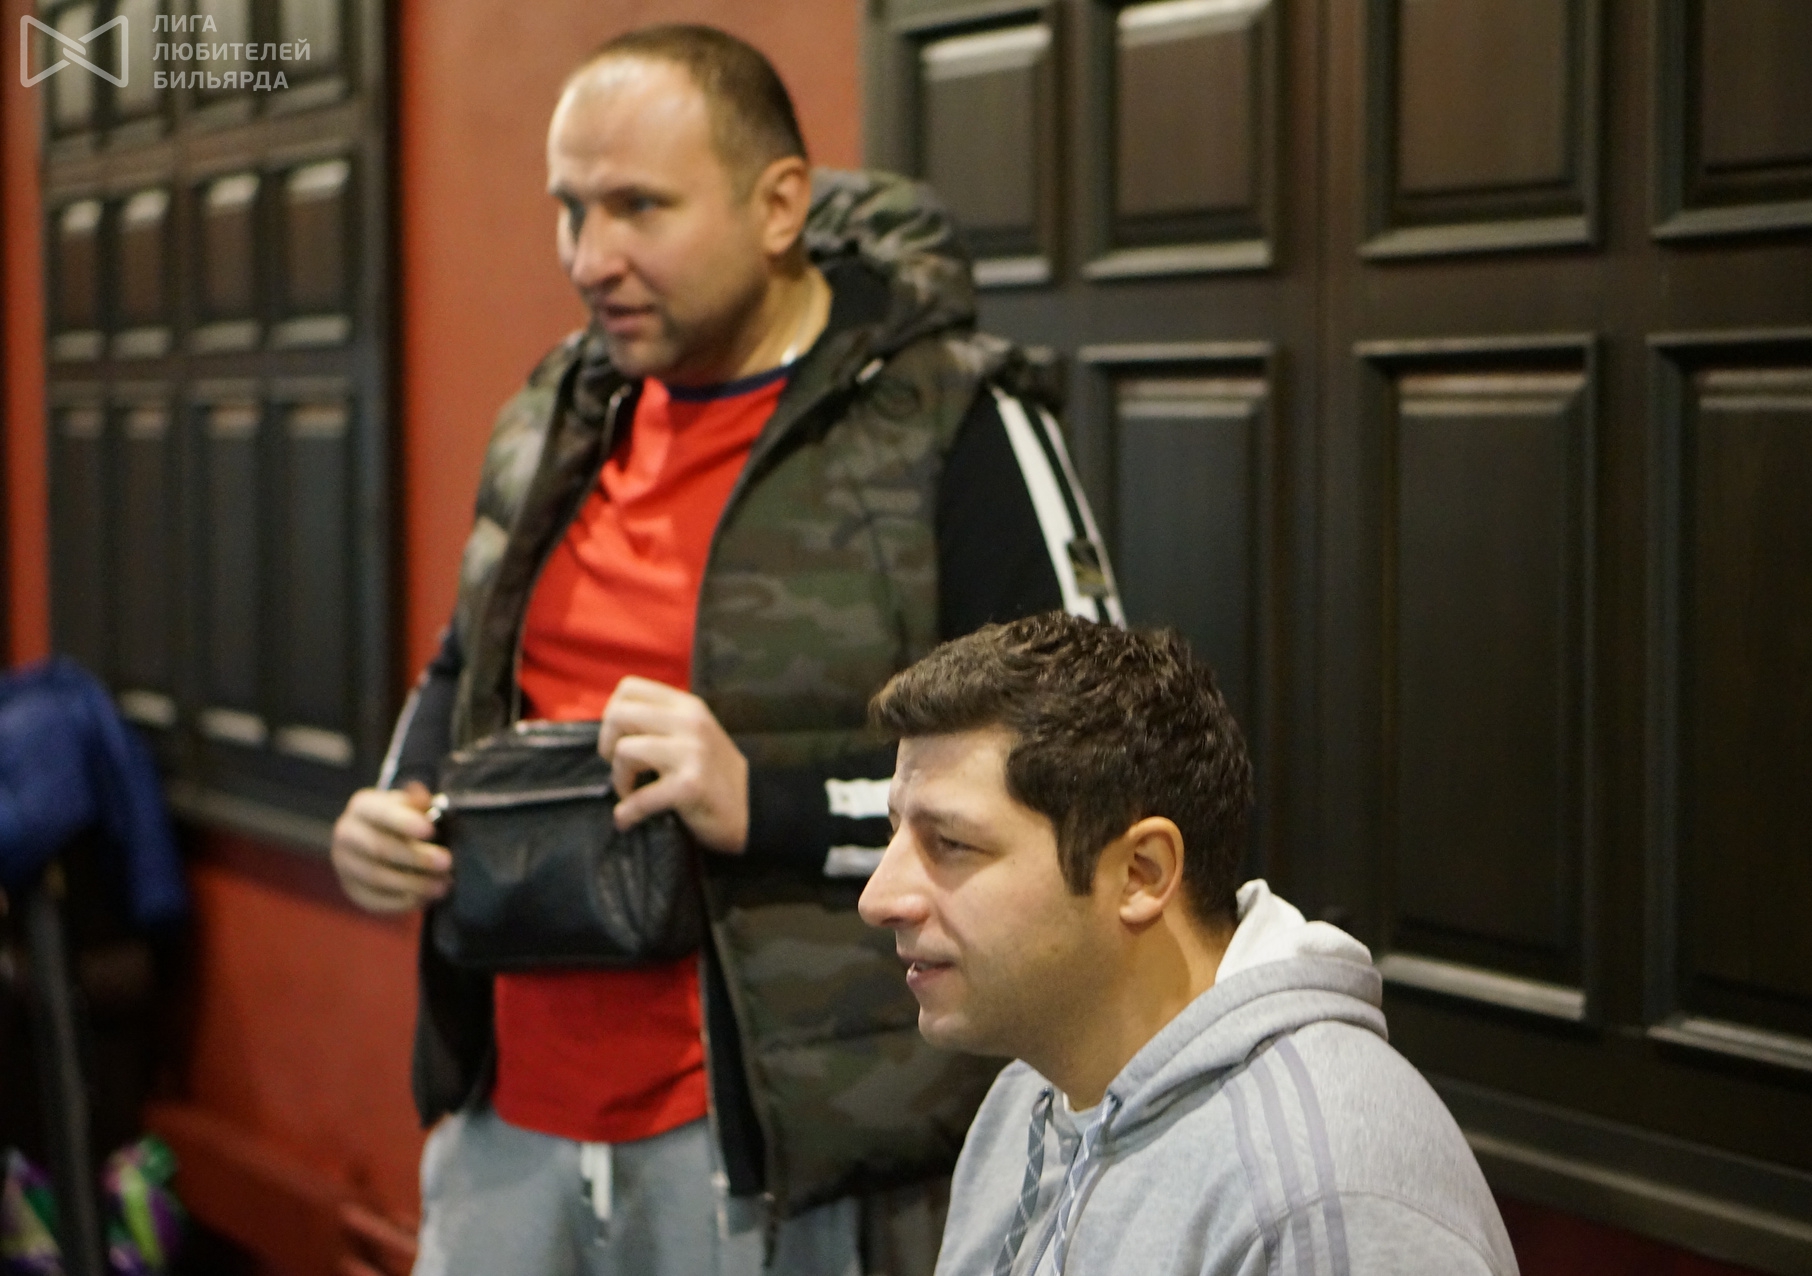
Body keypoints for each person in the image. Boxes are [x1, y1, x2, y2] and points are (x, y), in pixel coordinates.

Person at [326, 25, 1121, 1276]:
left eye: (639, 207)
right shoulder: (556, 408)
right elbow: (466, 661)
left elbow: (1090, 752)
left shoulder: (950, 416)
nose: (590, 256)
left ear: (779, 205)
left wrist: (770, 803)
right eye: (571, 209)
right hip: (502, 1126)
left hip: (771, 1147)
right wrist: (394, 803)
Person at [858, 613, 1521, 1276]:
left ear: (1140, 874)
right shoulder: (1025, 1098)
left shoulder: (1324, 1193)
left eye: (951, 844)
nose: (879, 899)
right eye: (894, 835)